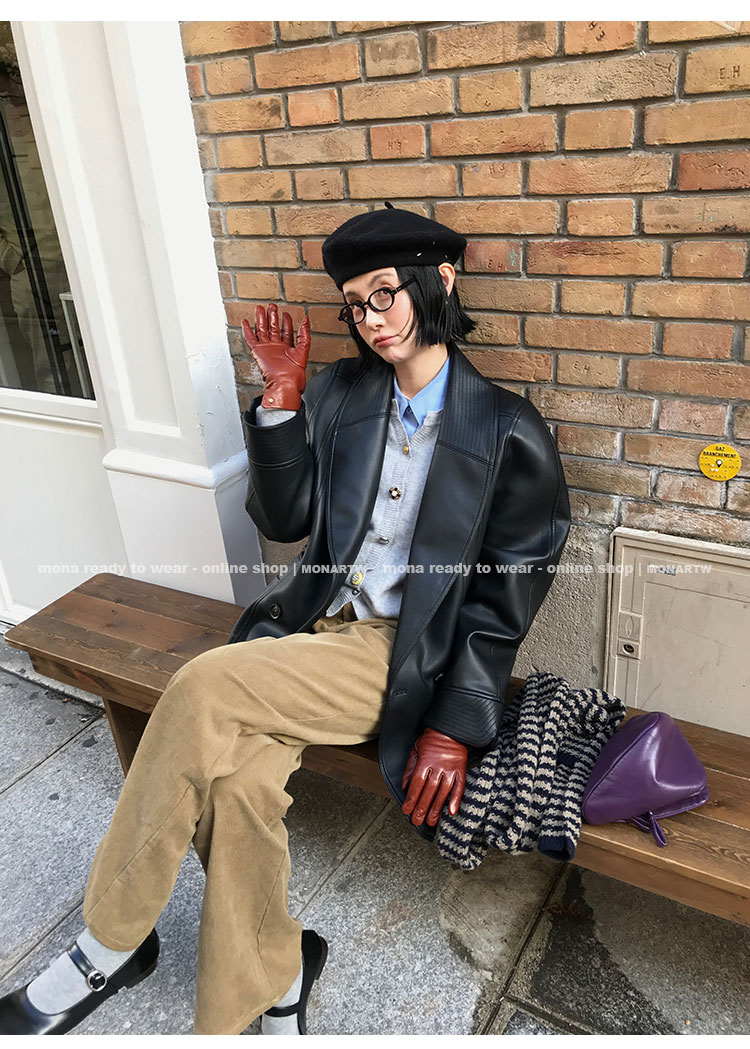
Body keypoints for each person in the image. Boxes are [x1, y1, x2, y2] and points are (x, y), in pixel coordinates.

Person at [0, 203, 571, 1036]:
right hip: (309, 628)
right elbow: (285, 518)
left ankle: (108, 944)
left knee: (201, 688)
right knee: (238, 788)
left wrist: (455, 722)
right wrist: (282, 399)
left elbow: (503, 601)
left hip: (397, 654)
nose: (371, 319)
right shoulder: (342, 394)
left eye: (386, 294)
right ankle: (278, 976)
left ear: (440, 281)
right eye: (356, 304)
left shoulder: (508, 430)